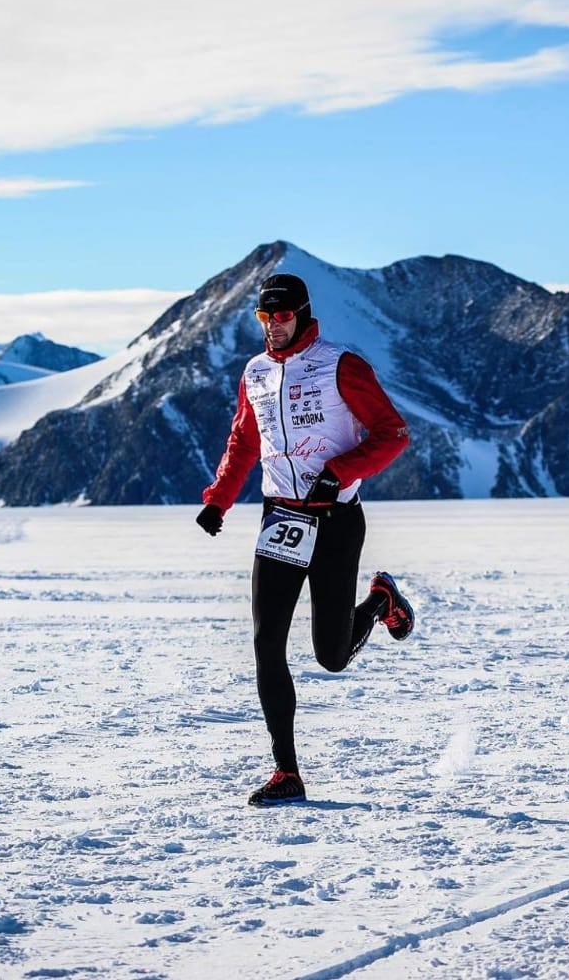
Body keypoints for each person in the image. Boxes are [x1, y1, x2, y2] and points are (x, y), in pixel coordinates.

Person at [196, 272, 415, 807]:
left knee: (331, 655)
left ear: (302, 314)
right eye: (264, 318)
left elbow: (393, 434)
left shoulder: (342, 365)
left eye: (282, 316)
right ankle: (285, 771)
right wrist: (219, 498)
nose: (273, 327)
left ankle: (380, 600)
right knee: (266, 643)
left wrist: (341, 472)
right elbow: (245, 439)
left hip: (336, 518)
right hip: (281, 518)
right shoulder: (254, 373)